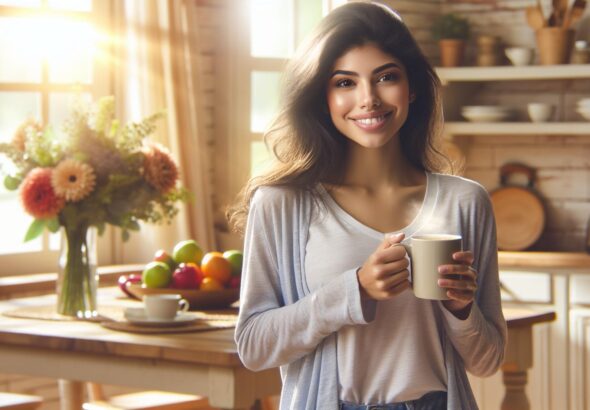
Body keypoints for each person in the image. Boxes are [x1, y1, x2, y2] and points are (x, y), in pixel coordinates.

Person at [227, 2, 506, 409]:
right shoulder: (282, 203)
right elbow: (253, 346)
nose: (368, 99)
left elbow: (487, 360)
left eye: (386, 77)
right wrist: (353, 291)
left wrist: (460, 309)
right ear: (322, 96)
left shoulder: (466, 201)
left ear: (411, 87)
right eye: (345, 83)